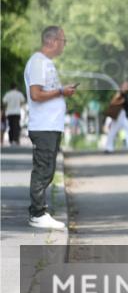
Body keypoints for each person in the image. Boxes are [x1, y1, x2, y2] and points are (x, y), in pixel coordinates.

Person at [23, 26, 76, 230]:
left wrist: (62, 94)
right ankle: (37, 213)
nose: (64, 44)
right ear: (52, 41)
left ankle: (40, 211)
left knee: (48, 169)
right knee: (43, 170)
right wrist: (61, 91)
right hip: (43, 126)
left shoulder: (46, 63)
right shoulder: (38, 62)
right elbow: (36, 94)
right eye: (64, 40)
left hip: (51, 126)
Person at [104, 80, 128, 153]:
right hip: (118, 115)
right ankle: (108, 148)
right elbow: (113, 102)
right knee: (113, 132)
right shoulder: (119, 93)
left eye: (127, 86)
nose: (127, 87)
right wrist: (121, 101)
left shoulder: (124, 94)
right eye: (125, 86)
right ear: (121, 86)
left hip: (123, 115)